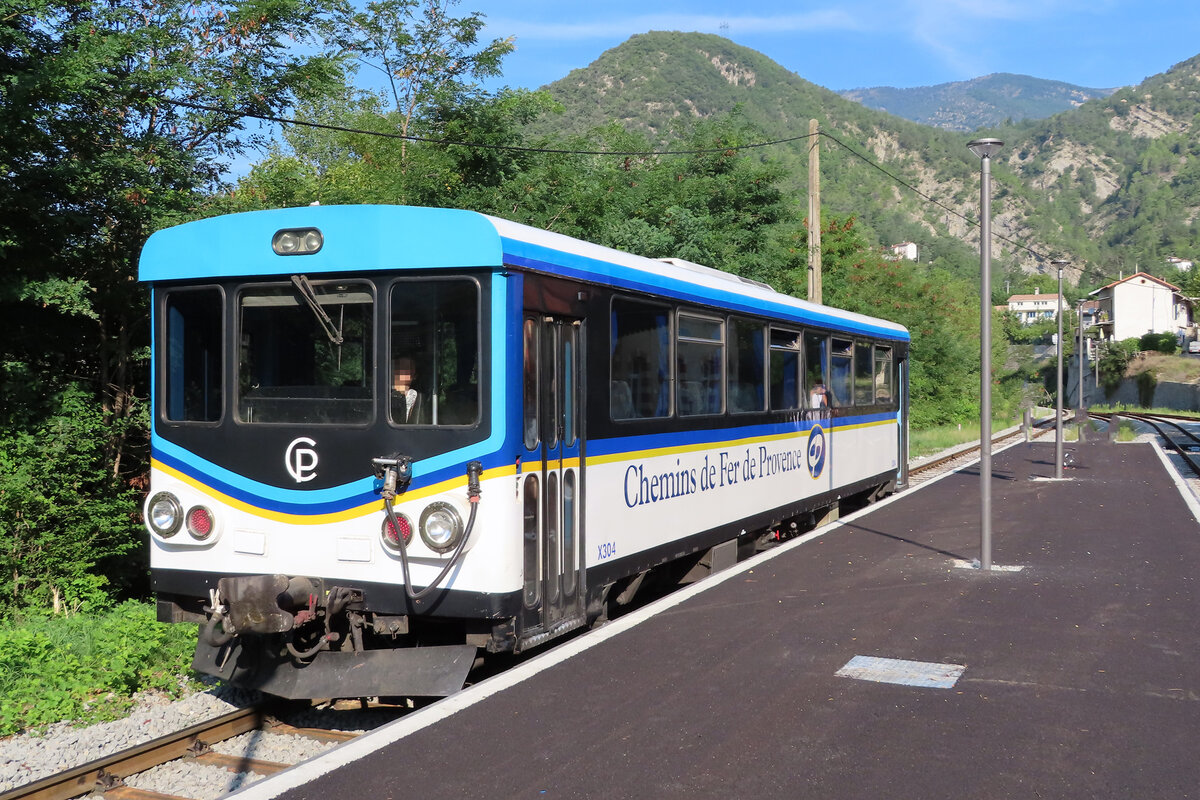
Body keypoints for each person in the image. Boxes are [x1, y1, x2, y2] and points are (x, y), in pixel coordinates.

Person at [392, 356, 425, 424]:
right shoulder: (383, 392)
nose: (400, 372)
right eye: (398, 368)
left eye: (406, 369)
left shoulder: (413, 394)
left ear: (414, 376)